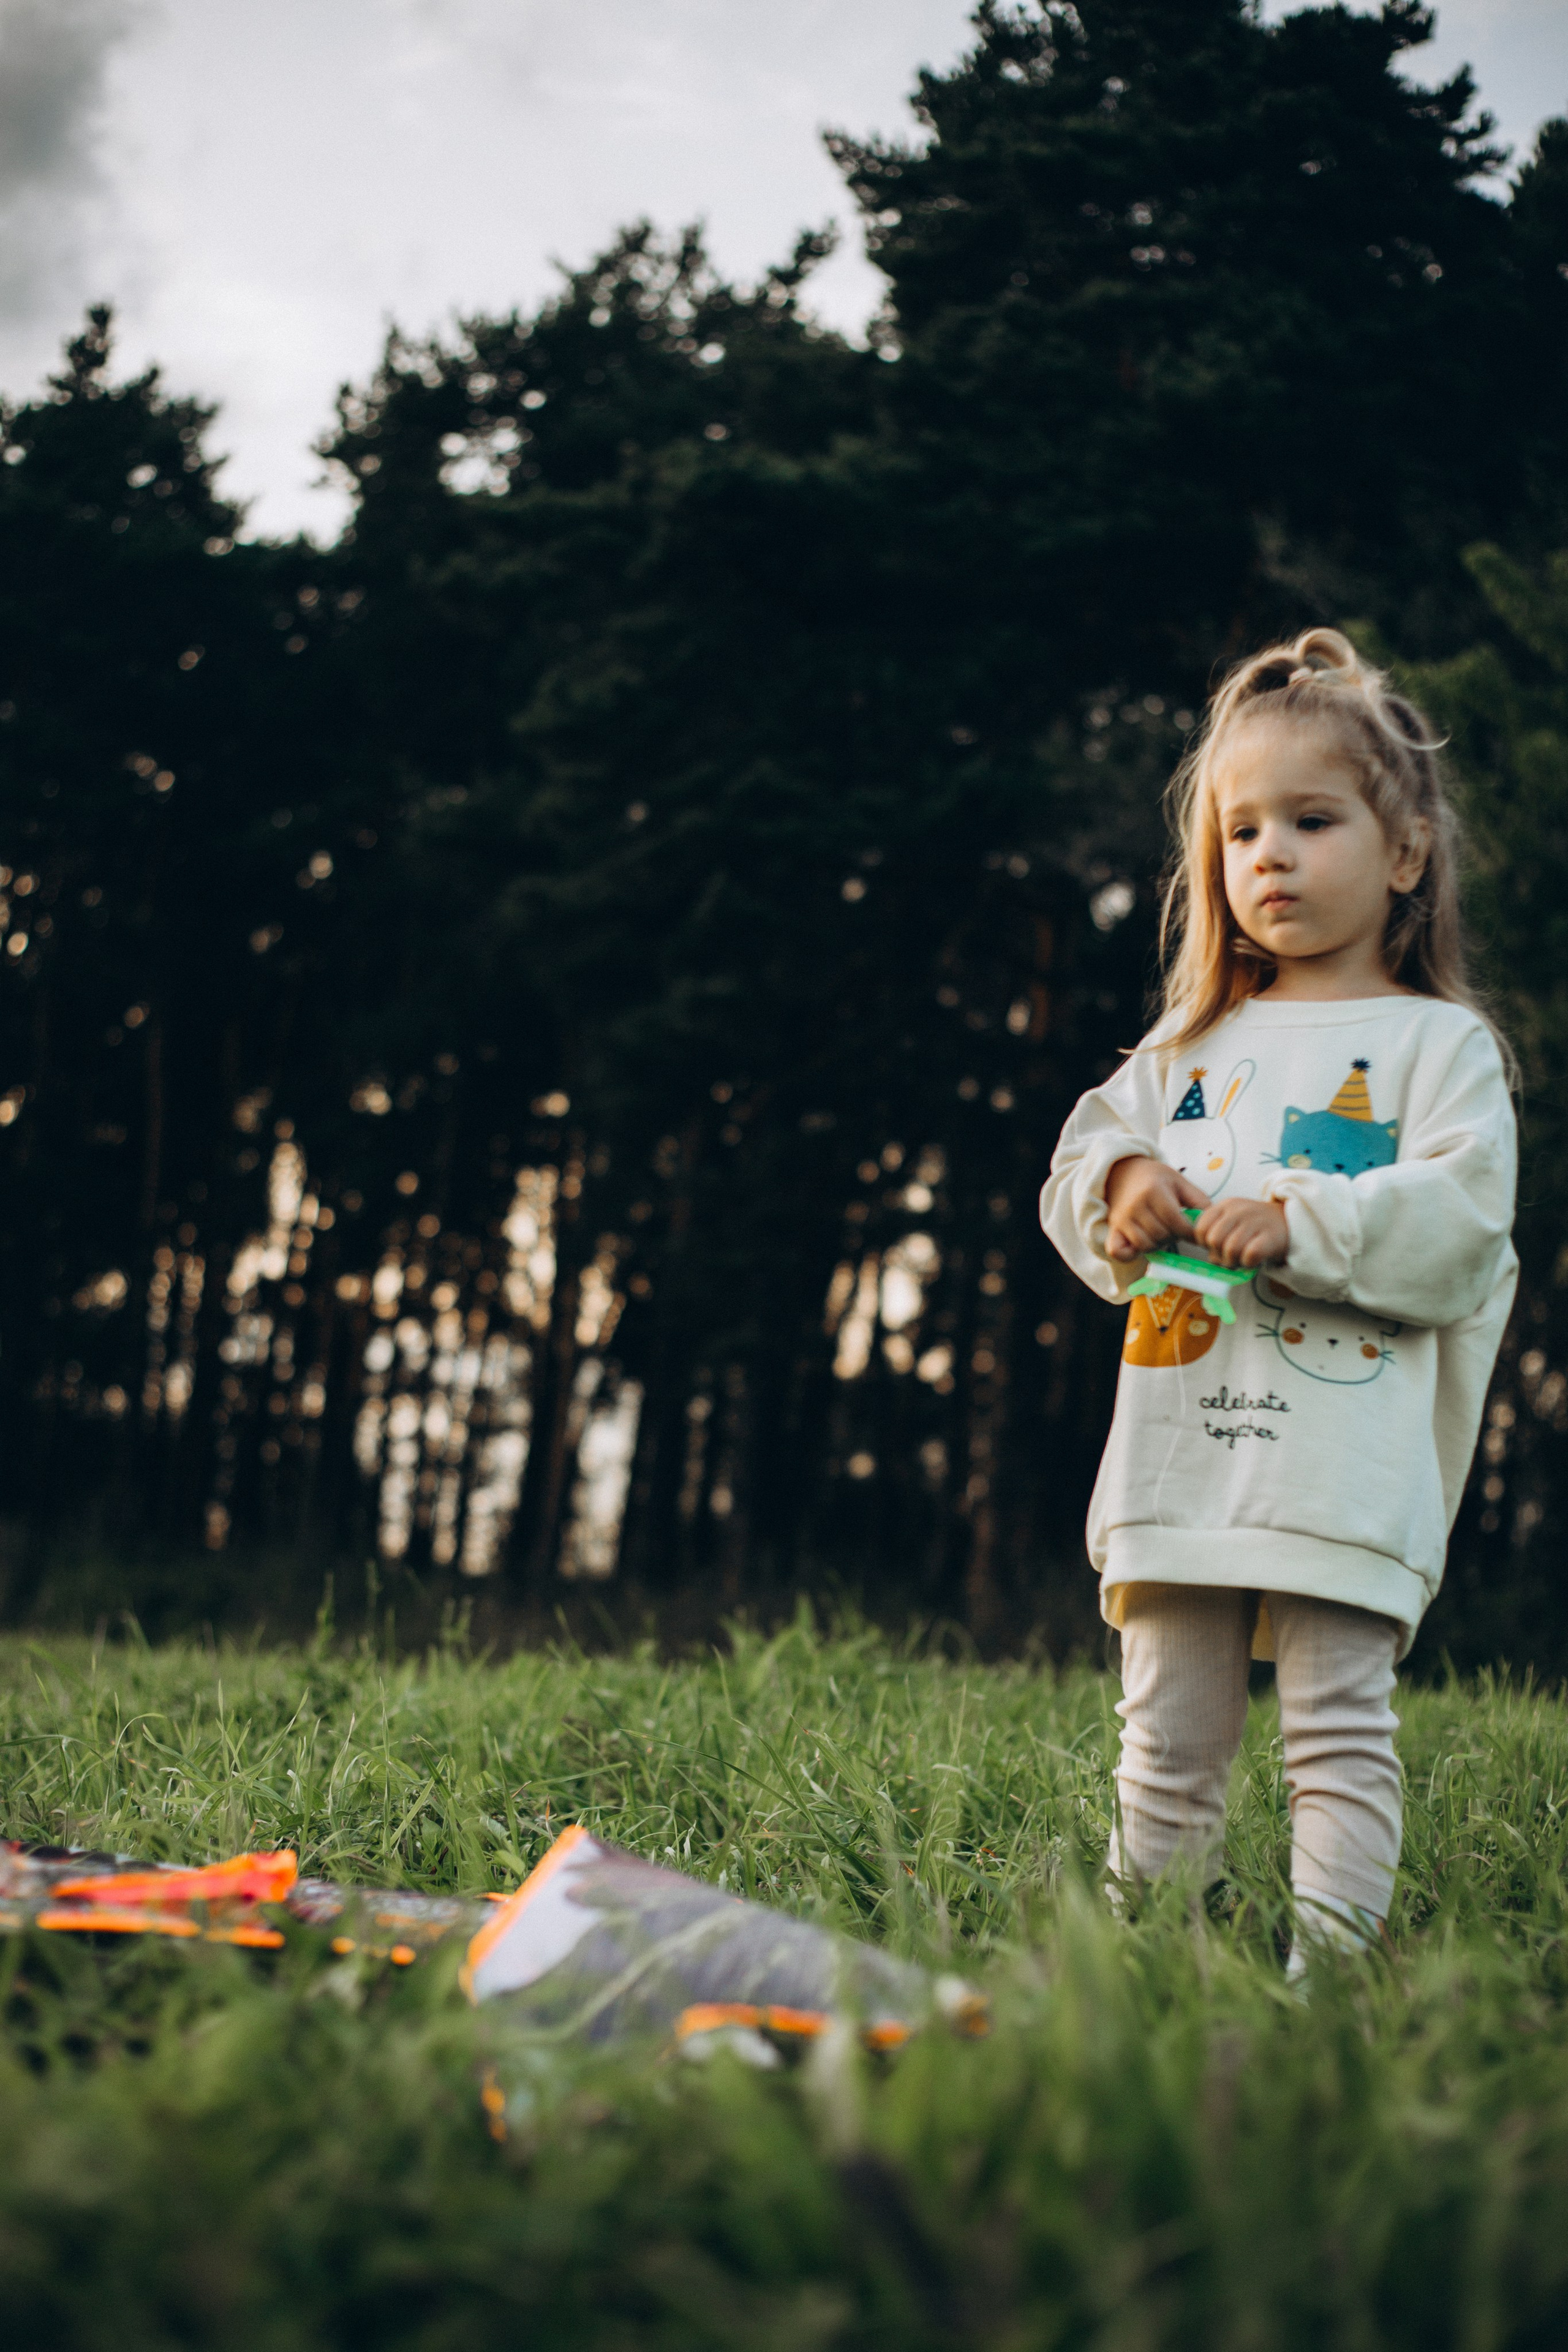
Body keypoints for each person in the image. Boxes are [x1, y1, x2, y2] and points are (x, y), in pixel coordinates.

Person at [1039, 628, 1518, 1972]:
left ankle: (1326, 1989)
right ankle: (1143, 1966)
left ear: (1405, 851)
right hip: (1182, 1457)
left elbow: (1462, 1227)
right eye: (1241, 830)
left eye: (1310, 820)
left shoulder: (1441, 1048)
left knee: (1335, 1733)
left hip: (1339, 1469)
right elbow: (1077, 1163)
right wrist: (1122, 1179)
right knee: (1164, 1739)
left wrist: (1303, 1217)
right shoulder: (1187, 1049)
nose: (1270, 856)